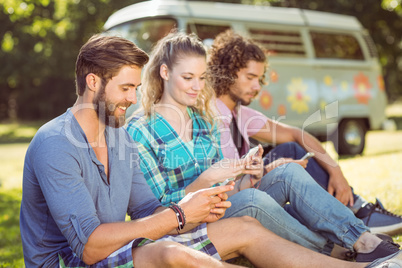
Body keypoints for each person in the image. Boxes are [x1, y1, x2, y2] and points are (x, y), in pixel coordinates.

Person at [20, 34, 396, 268]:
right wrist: (182, 212)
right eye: (125, 89)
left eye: (136, 89)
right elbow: (88, 249)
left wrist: (211, 194)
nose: (133, 98)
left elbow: (150, 209)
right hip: (77, 262)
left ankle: (364, 261)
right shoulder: (57, 143)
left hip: (129, 245)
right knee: (177, 253)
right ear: (92, 82)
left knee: (247, 224)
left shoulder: (118, 137)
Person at [126, 31, 400, 265]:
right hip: (183, 226)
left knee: (287, 173)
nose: (197, 87)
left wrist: (251, 174)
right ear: (164, 72)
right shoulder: (140, 131)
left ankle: (365, 240)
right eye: (188, 78)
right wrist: (205, 180)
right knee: (253, 201)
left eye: (201, 78)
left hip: (221, 208)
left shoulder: (201, 119)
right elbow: (150, 213)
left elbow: (230, 187)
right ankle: (342, 252)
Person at [208, 30, 402, 236]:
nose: (257, 86)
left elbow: (296, 135)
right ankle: (359, 216)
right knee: (294, 182)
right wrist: (271, 168)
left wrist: (337, 173)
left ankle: (356, 212)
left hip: (252, 192)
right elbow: (218, 178)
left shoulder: (240, 114)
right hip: (233, 205)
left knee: (291, 149)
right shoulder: (208, 113)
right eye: (250, 77)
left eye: (259, 78)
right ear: (227, 71)